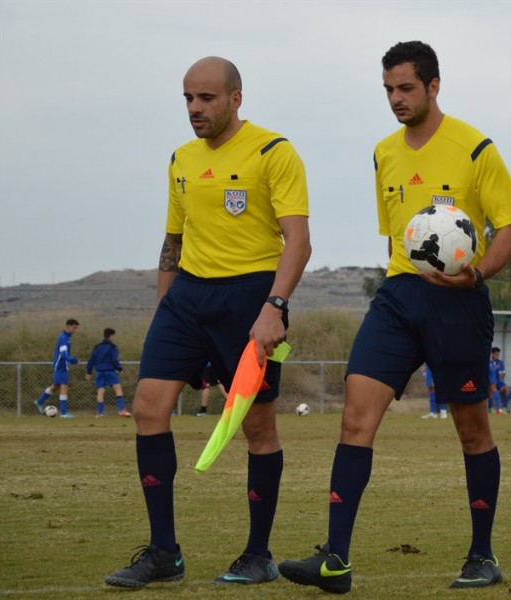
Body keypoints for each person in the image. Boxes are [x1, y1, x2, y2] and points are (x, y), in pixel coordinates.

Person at [279, 41, 511, 594]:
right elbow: (400, 237)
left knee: (471, 429)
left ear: (434, 86)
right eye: (388, 89)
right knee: (355, 419)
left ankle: (482, 555)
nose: (395, 98)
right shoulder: (383, 152)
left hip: (458, 301)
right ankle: (335, 560)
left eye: (406, 88)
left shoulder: (474, 147)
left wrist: (476, 273)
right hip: (397, 296)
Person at [105, 56, 311, 589]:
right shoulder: (180, 158)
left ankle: (258, 554)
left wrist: (275, 307)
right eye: (188, 99)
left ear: (235, 98)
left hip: (250, 299)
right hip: (187, 298)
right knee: (148, 407)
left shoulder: (273, 151)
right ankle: (163, 553)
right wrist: (164, 309)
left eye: (206, 99)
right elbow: (173, 240)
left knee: (258, 428)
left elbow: (299, 242)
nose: (195, 109)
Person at [34, 318, 81, 418]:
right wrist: (74, 360)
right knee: (64, 387)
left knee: (55, 386)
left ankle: (39, 401)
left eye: (76, 328)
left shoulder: (65, 337)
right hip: (61, 365)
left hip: (60, 365)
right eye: (74, 328)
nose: (75, 330)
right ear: (68, 326)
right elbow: (63, 354)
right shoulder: (64, 338)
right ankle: (63, 413)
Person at [85, 327, 131, 418]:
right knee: (117, 388)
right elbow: (114, 360)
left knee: (100, 391)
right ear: (111, 335)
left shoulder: (97, 347)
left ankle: (100, 413)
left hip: (99, 372)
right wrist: (120, 369)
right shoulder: (113, 347)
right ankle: (121, 410)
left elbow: (91, 360)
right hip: (110, 371)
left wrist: (88, 372)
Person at [488, 347, 509, 415]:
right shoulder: (489, 362)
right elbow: (488, 372)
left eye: (498, 355)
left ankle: (504, 408)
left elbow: (503, 373)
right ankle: (490, 408)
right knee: (491, 391)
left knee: (507, 389)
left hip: (499, 382)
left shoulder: (500, 362)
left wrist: (502, 375)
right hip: (491, 382)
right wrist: (494, 369)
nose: (497, 356)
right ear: (492, 354)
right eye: (496, 354)